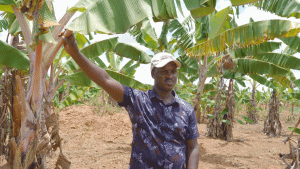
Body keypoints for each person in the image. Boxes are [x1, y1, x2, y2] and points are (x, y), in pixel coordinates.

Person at [60, 32, 200, 169]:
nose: (169, 75)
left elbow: (192, 146)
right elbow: (105, 80)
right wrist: (76, 54)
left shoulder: (186, 109)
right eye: (164, 71)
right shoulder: (138, 100)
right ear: (153, 73)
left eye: (173, 71)